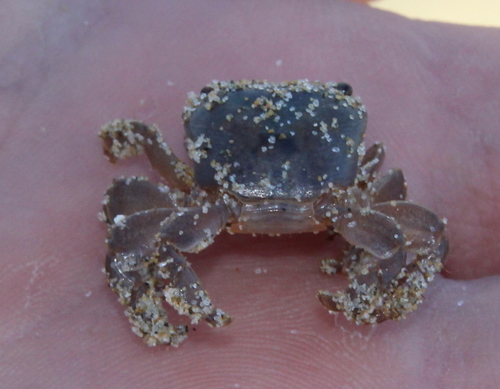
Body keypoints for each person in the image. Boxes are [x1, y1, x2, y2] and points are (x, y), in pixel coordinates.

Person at [1, 1, 499, 387]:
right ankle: (360, 292)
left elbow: (125, 219)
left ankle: (160, 318)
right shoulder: (359, 179)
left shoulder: (364, 197)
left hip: (248, 204)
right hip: (298, 205)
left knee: (132, 220)